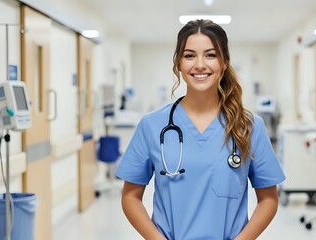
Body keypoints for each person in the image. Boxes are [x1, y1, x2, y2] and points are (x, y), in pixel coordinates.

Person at [115, 19, 285, 240]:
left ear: (224, 62)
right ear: (178, 63)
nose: (200, 64)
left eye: (210, 55)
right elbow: (130, 197)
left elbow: (269, 199)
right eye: (189, 55)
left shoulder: (249, 126)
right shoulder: (152, 125)